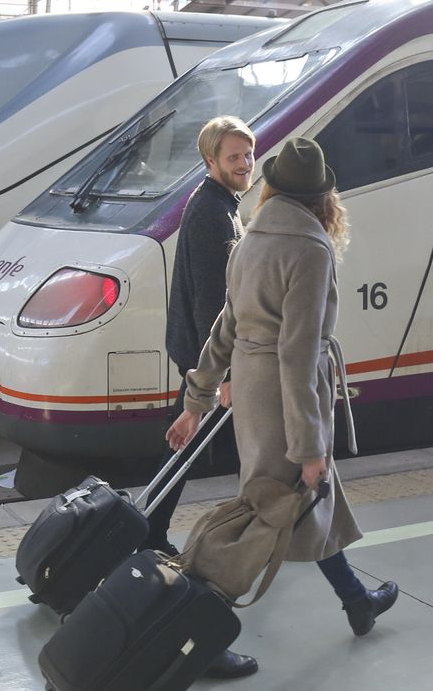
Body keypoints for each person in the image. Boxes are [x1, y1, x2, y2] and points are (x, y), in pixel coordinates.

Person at [167, 139, 398, 678]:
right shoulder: (310, 249)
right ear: (322, 196)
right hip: (286, 396)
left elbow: (226, 326)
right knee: (265, 514)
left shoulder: (251, 237)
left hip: (254, 387)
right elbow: (296, 354)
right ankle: (195, 633)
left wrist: (196, 399)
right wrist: (309, 445)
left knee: (305, 503)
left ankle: (355, 600)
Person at [147, 116, 254, 553]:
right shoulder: (213, 212)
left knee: (193, 444)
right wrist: (222, 375)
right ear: (211, 160)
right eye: (234, 157)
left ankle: (153, 529)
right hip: (205, 356)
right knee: (186, 444)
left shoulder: (217, 202)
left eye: (248, 153)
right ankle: (151, 530)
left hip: (201, 353)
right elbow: (213, 300)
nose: (246, 163)